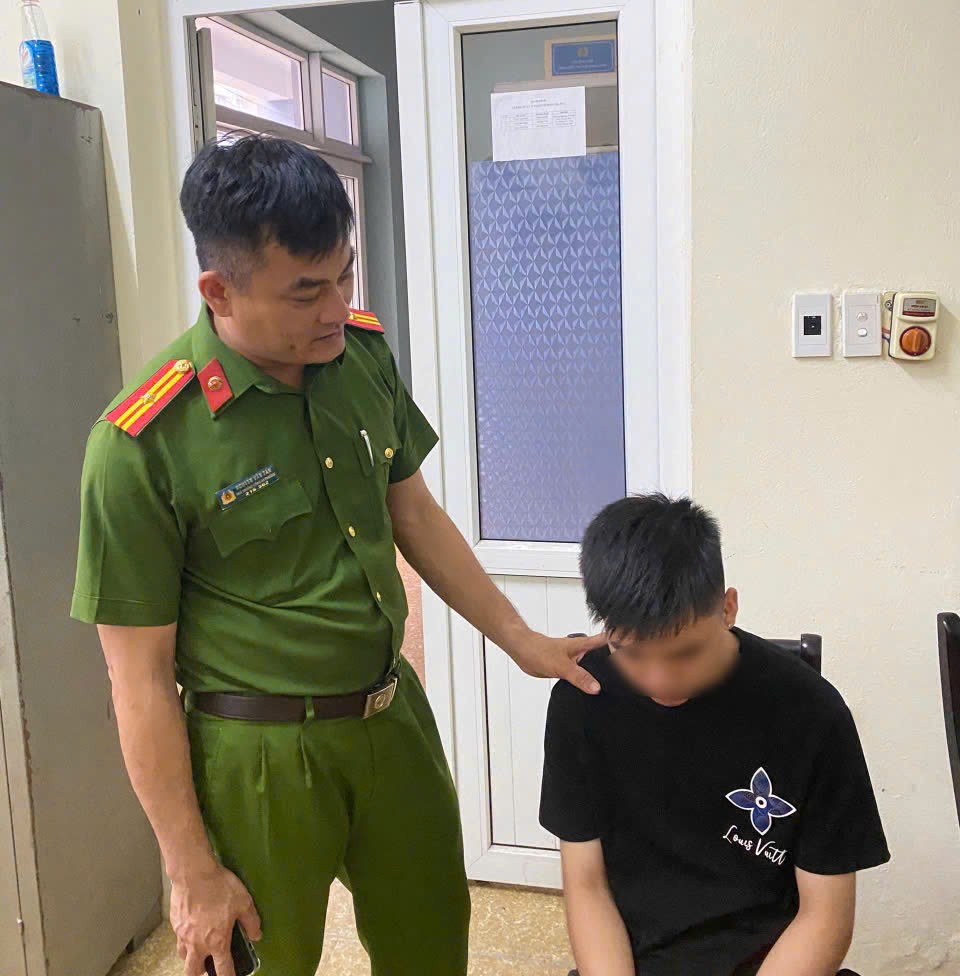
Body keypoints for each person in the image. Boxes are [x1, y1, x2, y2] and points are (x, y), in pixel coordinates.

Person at [71, 135, 604, 976]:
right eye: (305, 291)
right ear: (219, 289)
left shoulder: (359, 355)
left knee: (431, 949)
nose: (334, 308)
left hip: (391, 717)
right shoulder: (143, 441)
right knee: (266, 962)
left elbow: (413, 511)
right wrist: (191, 870)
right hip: (259, 758)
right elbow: (136, 678)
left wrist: (520, 639)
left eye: (344, 277)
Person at [539, 494, 890, 976]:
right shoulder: (583, 699)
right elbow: (587, 885)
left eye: (685, 654)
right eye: (630, 652)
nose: (659, 680)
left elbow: (824, 916)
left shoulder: (811, 713)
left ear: (728, 608)